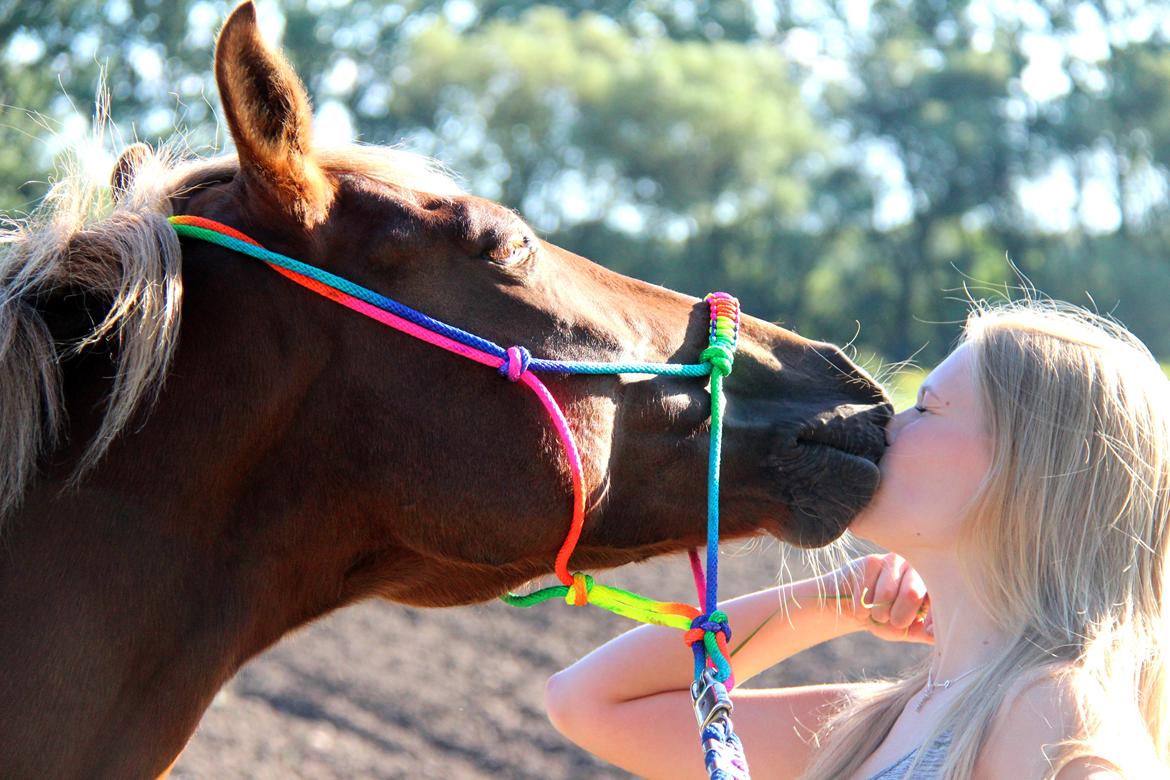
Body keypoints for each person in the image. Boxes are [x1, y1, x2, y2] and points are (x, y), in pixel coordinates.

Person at [544, 297, 1169, 779]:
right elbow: (586, 701)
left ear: (1027, 469)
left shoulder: (1058, 717)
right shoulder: (881, 722)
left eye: (925, 408)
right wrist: (836, 599)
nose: (888, 428)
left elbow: (592, 703)